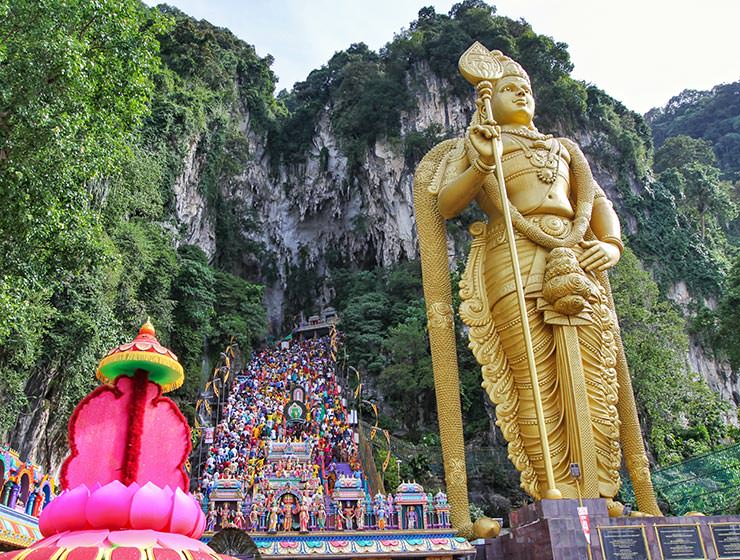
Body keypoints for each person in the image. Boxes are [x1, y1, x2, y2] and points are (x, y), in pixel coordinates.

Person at [416, 46, 659, 516]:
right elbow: (446, 204)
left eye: (525, 87)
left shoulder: (564, 149)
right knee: (532, 375)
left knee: (594, 377)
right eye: (509, 87)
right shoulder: (479, 143)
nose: (521, 92)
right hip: (512, 259)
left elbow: (599, 204)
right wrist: (482, 164)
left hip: (577, 258)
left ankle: (600, 489)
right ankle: (551, 484)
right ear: (489, 98)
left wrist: (610, 245)